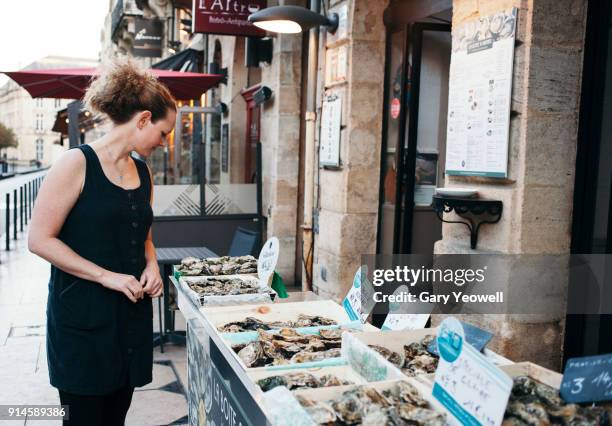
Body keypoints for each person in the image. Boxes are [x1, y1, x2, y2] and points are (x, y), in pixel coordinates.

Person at [28, 60, 177, 426]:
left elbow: (143, 231)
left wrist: (150, 263)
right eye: (163, 133)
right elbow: (39, 240)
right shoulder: (75, 164)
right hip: (83, 322)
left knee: (115, 418)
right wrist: (105, 276)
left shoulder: (142, 171)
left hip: (129, 320)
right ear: (143, 119)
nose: (164, 143)